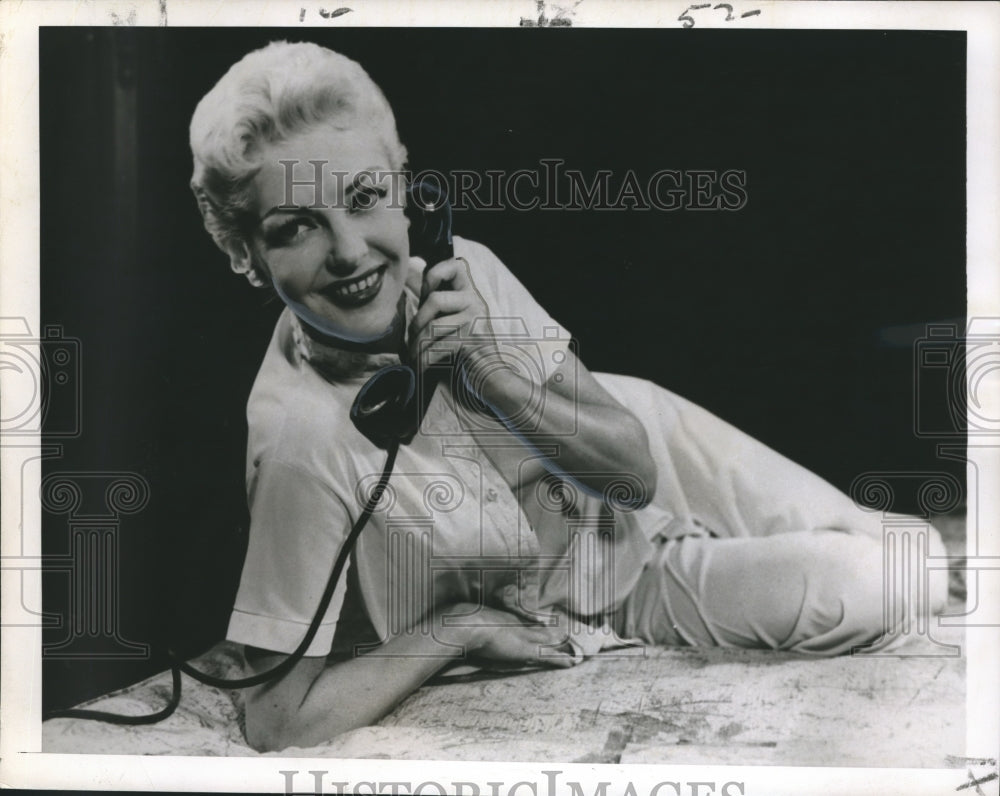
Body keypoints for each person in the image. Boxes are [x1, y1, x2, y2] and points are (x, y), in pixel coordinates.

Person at [189, 41, 948, 753]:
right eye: (297, 227)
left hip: (634, 450)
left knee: (924, 556)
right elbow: (278, 720)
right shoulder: (300, 439)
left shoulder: (468, 274)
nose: (350, 251)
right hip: (610, 584)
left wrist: (490, 372)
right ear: (244, 256)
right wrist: (460, 629)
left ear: (406, 185)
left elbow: (633, 472)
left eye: (364, 196)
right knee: (891, 584)